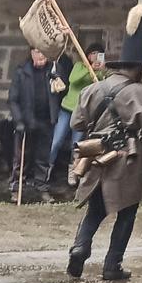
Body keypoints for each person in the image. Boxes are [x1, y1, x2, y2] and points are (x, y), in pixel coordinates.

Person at [66, 11, 142, 283]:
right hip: (126, 160)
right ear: (139, 68)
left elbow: (76, 122)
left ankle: (80, 247)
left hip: (95, 156)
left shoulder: (94, 89)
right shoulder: (141, 92)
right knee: (127, 212)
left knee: (95, 210)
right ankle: (112, 266)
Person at [48, 41, 104, 187]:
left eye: (98, 54)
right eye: (93, 53)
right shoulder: (79, 66)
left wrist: (99, 72)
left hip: (83, 113)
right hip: (67, 109)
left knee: (76, 146)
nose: (95, 56)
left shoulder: (101, 72)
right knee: (56, 141)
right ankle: (47, 169)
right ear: (87, 55)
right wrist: (89, 69)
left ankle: (73, 173)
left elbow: (101, 87)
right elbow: (73, 80)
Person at [8, 45, 61, 198]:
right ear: (31, 53)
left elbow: (61, 91)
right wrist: (18, 120)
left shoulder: (53, 71)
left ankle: (42, 186)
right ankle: (16, 188)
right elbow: (13, 99)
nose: (41, 56)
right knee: (21, 158)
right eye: (37, 52)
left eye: (43, 52)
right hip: (25, 121)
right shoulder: (21, 72)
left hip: (46, 119)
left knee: (43, 157)